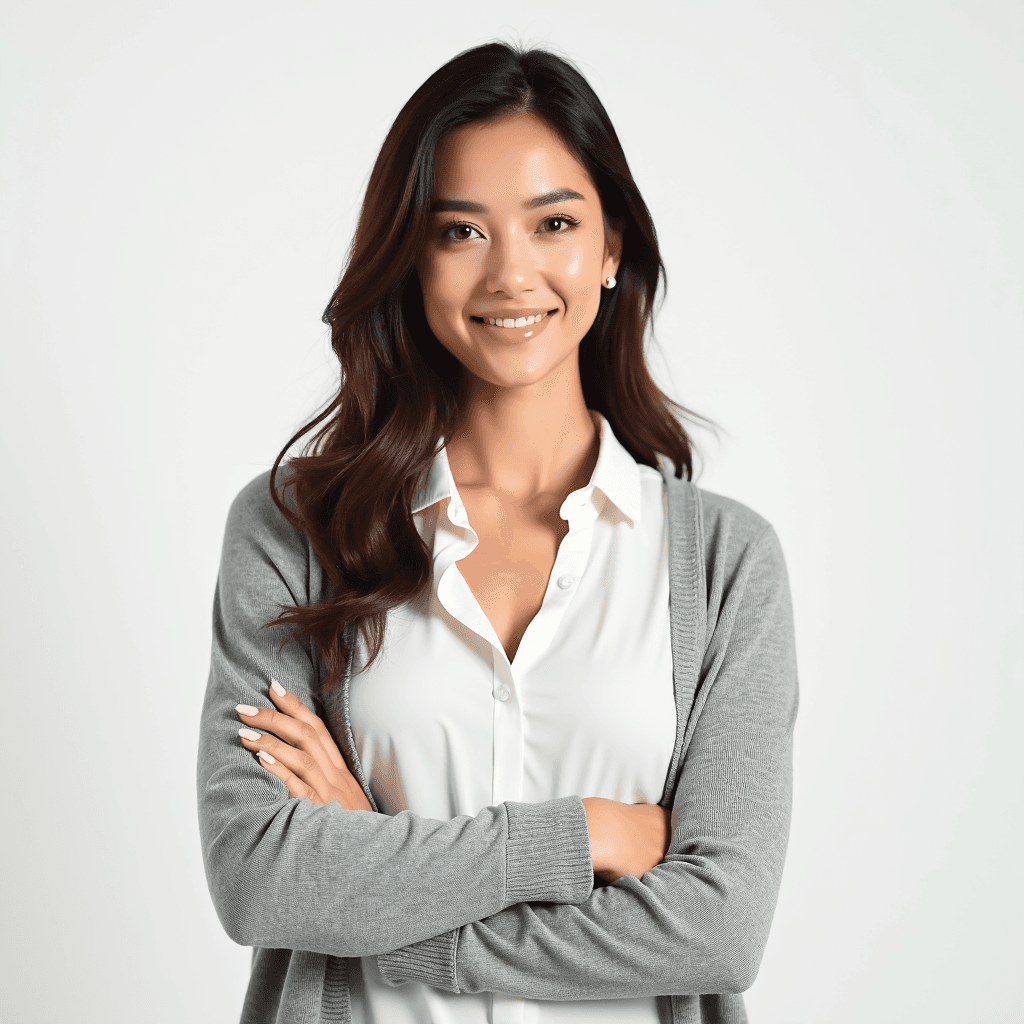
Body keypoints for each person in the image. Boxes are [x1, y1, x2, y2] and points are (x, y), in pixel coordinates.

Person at [197, 40, 799, 1024]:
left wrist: (373, 873)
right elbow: (261, 876)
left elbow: (718, 929)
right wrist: (581, 835)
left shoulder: (725, 565)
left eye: (553, 223)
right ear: (411, 258)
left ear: (610, 250)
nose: (511, 273)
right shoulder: (294, 530)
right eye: (460, 232)